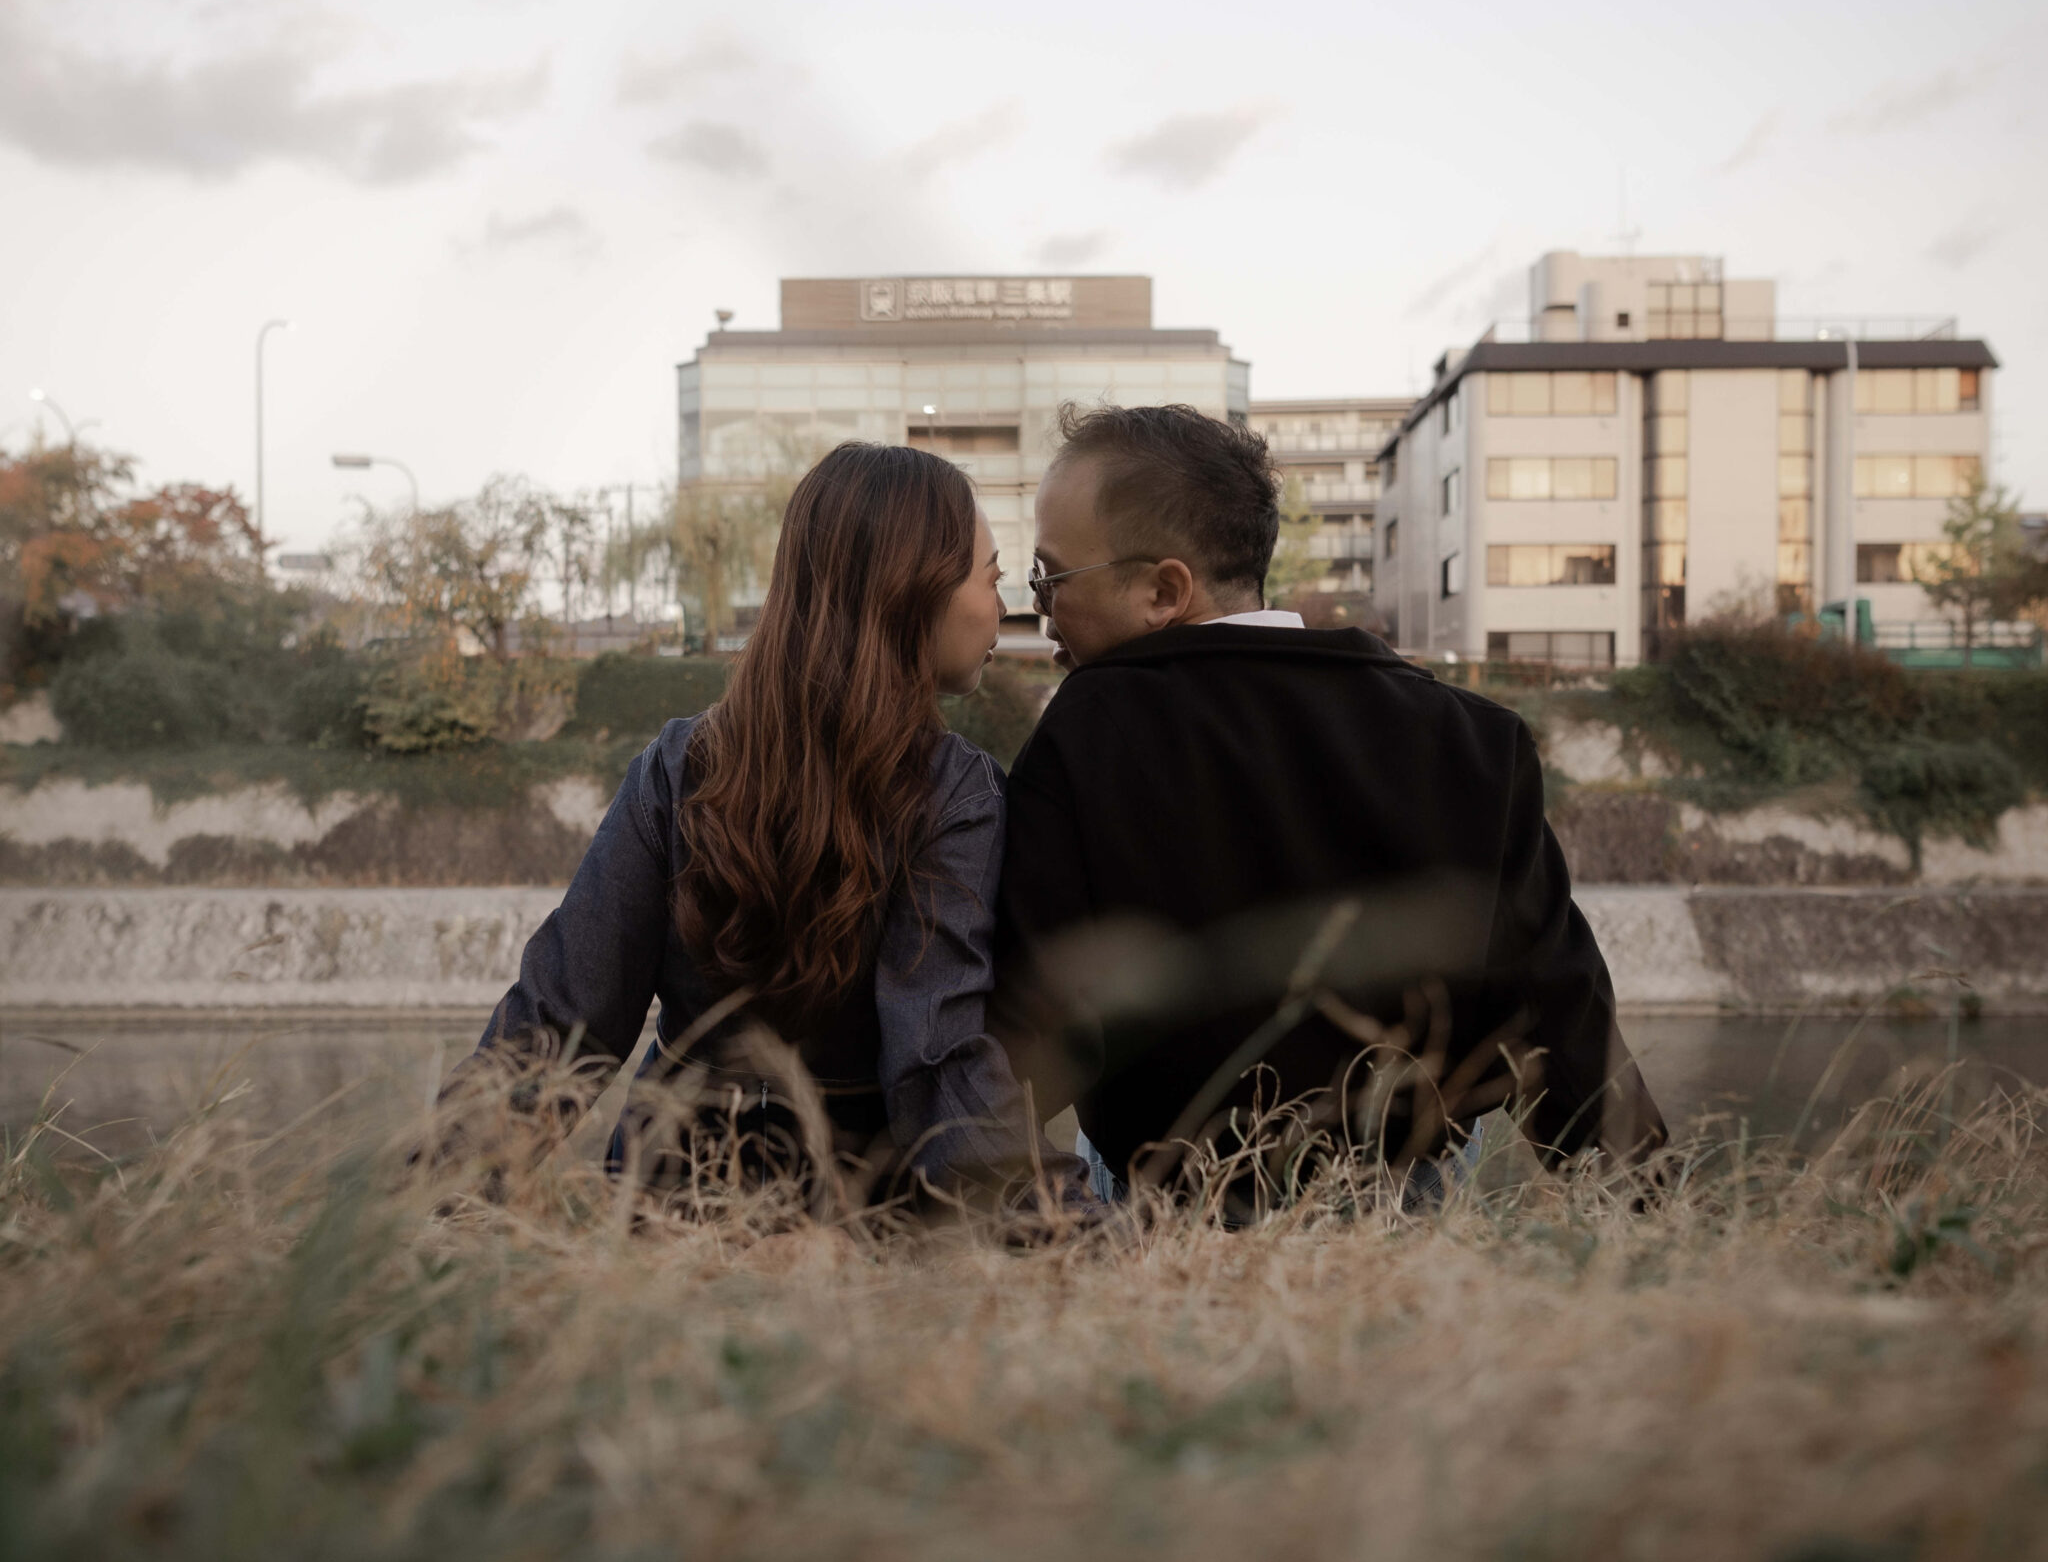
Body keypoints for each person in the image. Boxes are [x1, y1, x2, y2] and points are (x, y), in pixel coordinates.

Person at [993, 403, 1665, 1197]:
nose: (1038, 610)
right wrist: (1647, 1208)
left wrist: (962, 1183)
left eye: (1048, 579)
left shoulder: (1088, 732)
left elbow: (1028, 1032)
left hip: (1172, 1200)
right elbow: (1555, 1017)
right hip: (1408, 1202)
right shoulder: (1471, 738)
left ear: (1162, 590)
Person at [442, 442, 1056, 1202]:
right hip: (858, 1208)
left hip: (669, 1191)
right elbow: (938, 1061)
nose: (1002, 606)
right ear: (913, 591)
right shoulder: (958, 791)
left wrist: (427, 1204)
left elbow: (564, 1021)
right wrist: (1069, 1223)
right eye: (991, 578)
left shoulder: (678, 765)